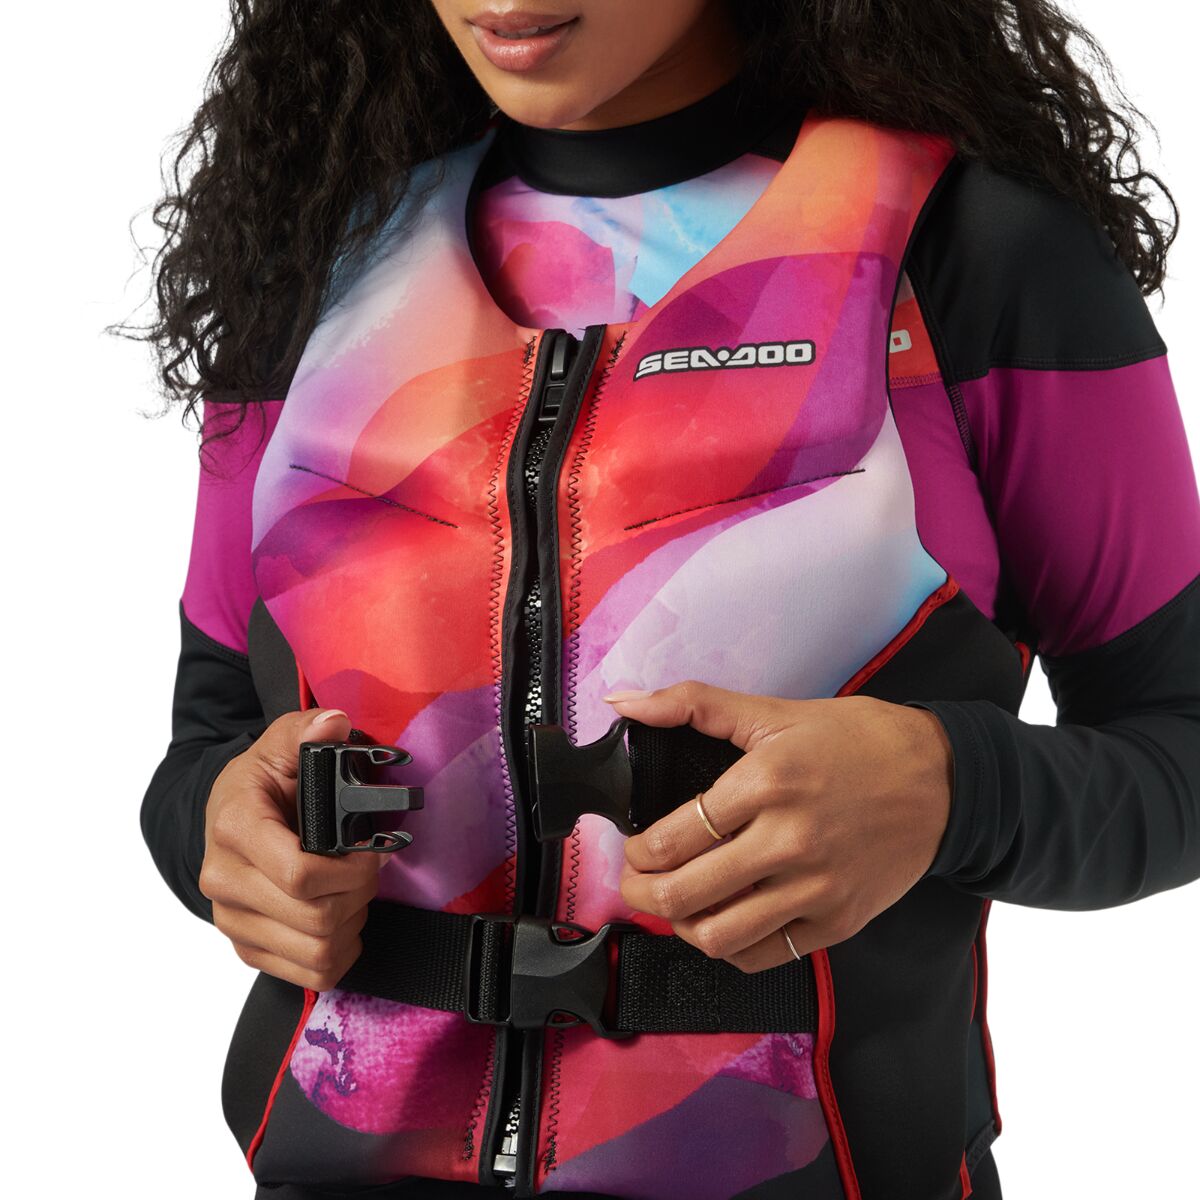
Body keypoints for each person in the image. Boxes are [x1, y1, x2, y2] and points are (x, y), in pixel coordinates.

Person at [133, 2, 1200, 1198]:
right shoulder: (310, 255)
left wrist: (951, 788)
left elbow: (1181, 742)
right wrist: (224, 830)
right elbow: (209, 749)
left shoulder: (980, 258)